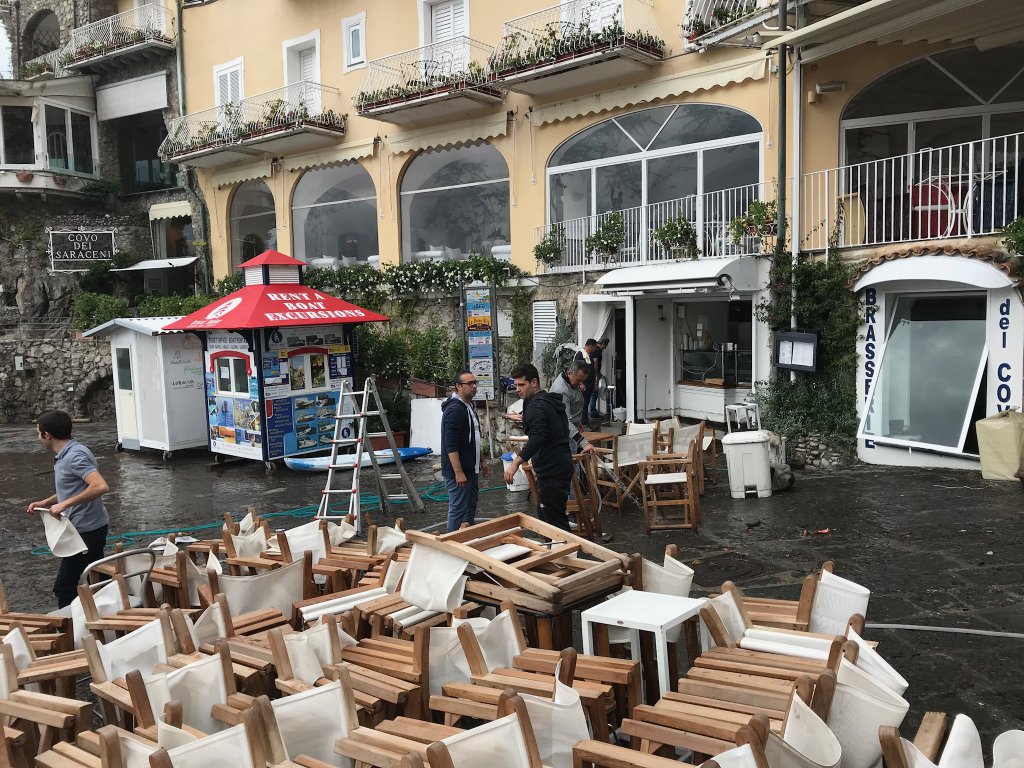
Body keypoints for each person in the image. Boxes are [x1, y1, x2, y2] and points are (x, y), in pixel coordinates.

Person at [26, 410, 110, 608]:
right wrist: (46, 502)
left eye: (38, 433)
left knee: (64, 587)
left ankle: (71, 632)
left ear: (47, 435)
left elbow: (100, 486)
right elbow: (76, 487)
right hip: (87, 528)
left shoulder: (74, 457)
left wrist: (64, 504)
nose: (38, 438)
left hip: (85, 532)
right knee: (91, 578)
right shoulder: (71, 452)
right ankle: (96, 619)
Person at [504, 364, 574, 531]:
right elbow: (551, 429)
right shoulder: (548, 401)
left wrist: (515, 463)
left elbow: (538, 437)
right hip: (560, 464)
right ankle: (557, 552)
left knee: (555, 522)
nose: (518, 389)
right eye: (516, 385)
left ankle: (568, 553)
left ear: (534, 382)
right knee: (546, 515)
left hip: (553, 468)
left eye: (522, 385)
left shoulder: (537, 406)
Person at [441, 371, 489, 531]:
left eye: (475, 382)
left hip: (471, 467)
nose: (474, 386)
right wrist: (458, 472)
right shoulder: (455, 409)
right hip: (460, 471)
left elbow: (474, 436)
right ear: (458, 386)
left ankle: (467, 539)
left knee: (470, 506)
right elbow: (451, 444)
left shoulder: (469, 406)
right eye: (470, 383)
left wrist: (482, 460)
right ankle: (452, 545)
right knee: (457, 509)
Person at [548, 360, 598, 456]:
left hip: (570, 430)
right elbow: (565, 421)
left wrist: (577, 420)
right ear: (570, 373)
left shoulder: (570, 381)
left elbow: (571, 406)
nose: (581, 384)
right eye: (579, 380)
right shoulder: (561, 391)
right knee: (571, 467)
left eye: (583, 380)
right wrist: (584, 443)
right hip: (561, 435)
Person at [574, 339, 599, 429]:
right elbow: (577, 370)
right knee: (583, 403)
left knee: (587, 402)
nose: (595, 349)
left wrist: (595, 380)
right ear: (590, 346)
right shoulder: (580, 354)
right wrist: (580, 383)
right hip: (583, 383)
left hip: (590, 383)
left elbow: (592, 367)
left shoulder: (590, 355)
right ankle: (583, 422)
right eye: (594, 347)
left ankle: (585, 421)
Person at [589, 337, 609, 419]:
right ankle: (593, 412)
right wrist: (597, 376)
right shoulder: (597, 350)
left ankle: (594, 411)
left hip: (593, 373)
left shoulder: (595, 349)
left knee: (596, 390)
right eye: (605, 346)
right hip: (594, 374)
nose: (605, 348)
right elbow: (595, 362)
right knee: (594, 392)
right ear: (603, 344)